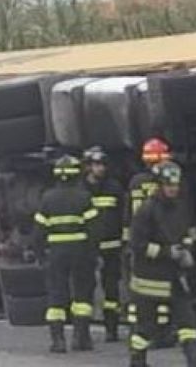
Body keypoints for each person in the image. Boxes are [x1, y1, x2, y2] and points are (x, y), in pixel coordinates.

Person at [127, 160, 196, 367]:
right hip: (149, 280)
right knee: (145, 328)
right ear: (158, 185)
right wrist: (167, 252)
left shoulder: (180, 207)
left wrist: (186, 249)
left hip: (174, 277)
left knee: (187, 321)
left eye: (175, 185)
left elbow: (186, 233)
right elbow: (137, 245)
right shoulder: (146, 211)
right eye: (168, 185)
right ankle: (137, 361)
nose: (173, 189)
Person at [33, 155, 99, 353]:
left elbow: (39, 232)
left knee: (56, 295)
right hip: (81, 253)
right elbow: (94, 230)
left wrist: (40, 255)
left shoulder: (47, 198)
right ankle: (81, 338)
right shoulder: (84, 197)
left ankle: (58, 340)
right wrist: (94, 254)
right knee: (82, 295)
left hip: (56, 254)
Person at [124, 137, 178, 349]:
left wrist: (127, 242)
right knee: (163, 289)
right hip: (159, 240)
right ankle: (162, 332)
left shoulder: (135, 182)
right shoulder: (163, 184)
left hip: (138, 241)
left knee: (139, 289)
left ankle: (138, 330)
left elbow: (128, 213)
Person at [83, 146, 125, 344]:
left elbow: (123, 216)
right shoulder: (80, 190)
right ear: (88, 167)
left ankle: (112, 329)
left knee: (111, 290)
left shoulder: (114, 187)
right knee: (85, 288)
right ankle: (82, 332)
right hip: (88, 248)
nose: (100, 169)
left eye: (102, 165)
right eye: (96, 165)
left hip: (112, 246)